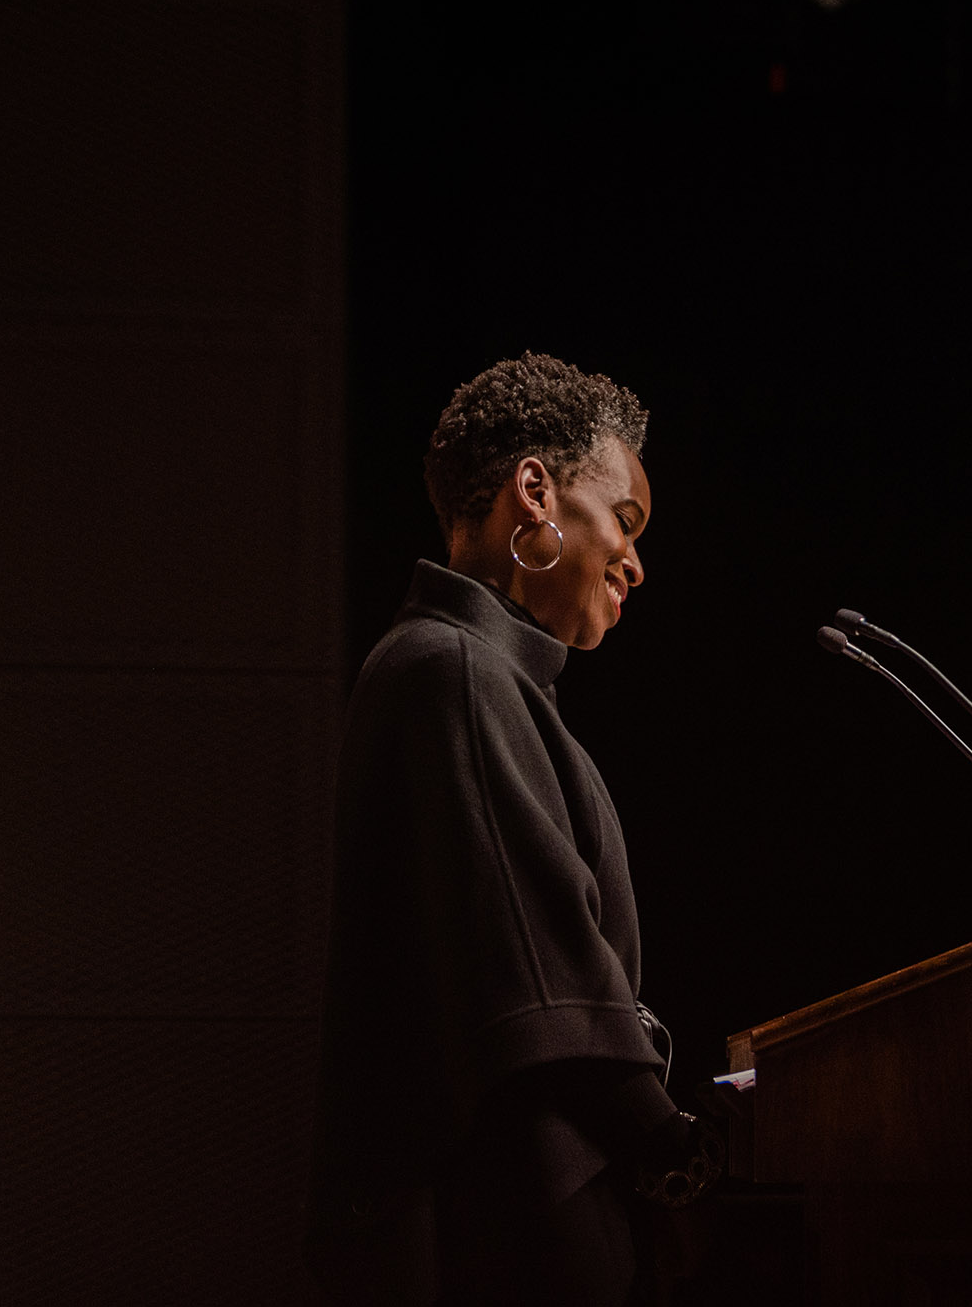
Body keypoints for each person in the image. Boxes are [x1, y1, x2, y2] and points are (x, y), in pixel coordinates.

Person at [307, 354, 716, 1305]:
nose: (636, 560)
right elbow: (542, 982)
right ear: (534, 492)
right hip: (498, 1238)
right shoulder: (448, 668)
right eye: (626, 518)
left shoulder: (481, 677)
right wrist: (675, 1150)